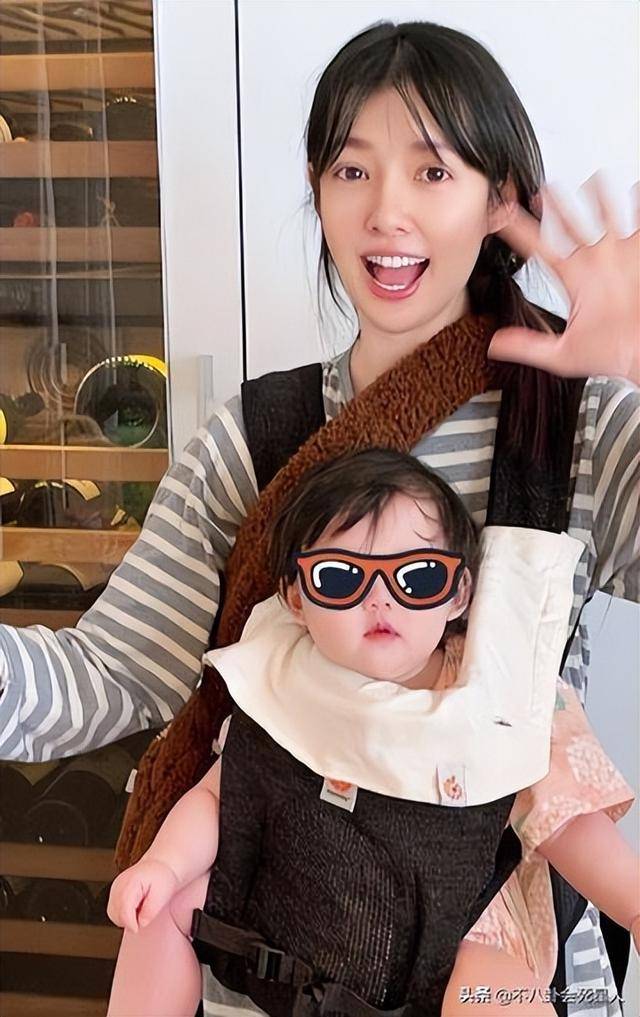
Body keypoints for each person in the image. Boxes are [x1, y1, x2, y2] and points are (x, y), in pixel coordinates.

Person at [0, 17, 637, 1015]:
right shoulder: (256, 436)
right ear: (316, 188)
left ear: (498, 198)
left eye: (432, 172)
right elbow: (112, 670)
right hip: (277, 973)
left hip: (499, 967)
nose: (387, 212)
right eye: (352, 170)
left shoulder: (579, 421)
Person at [105, 449, 638, 1017]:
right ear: (295, 599)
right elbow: (219, 795)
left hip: (453, 937)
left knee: (499, 992)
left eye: (418, 577)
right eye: (340, 578)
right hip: (294, 915)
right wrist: (162, 866)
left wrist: (632, 906)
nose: (380, 599)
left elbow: (564, 819)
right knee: (158, 908)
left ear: (459, 594)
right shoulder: (283, 680)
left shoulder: (499, 694)